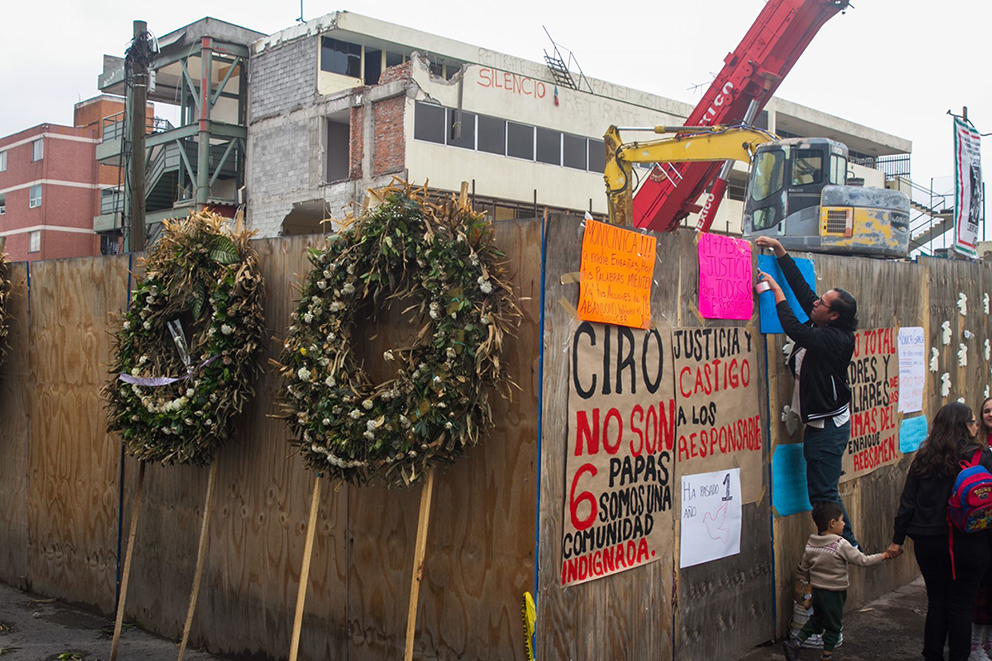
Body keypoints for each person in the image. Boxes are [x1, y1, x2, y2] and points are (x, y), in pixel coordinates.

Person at [754, 235, 859, 546]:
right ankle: (849, 551)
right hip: (821, 425)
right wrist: (780, 251)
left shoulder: (834, 339)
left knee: (824, 496)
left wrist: (775, 291)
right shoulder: (824, 321)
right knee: (824, 494)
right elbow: (803, 291)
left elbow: (794, 328)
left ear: (834, 315)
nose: (815, 303)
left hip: (827, 429)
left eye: (822, 303)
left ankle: (850, 551)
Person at [888, 402, 992, 661]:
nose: (976, 426)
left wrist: (897, 540)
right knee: (960, 605)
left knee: (937, 601)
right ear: (964, 425)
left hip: (928, 540)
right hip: (968, 542)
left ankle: (932, 656)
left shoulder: (923, 457)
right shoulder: (980, 455)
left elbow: (908, 502)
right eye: (973, 422)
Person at [782, 501, 892, 661]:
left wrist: (811, 597)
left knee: (816, 621)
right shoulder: (840, 545)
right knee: (833, 626)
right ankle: (827, 656)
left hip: (818, 592)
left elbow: (804, 568)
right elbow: (863, 560)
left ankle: (796, 643)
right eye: (842, 520)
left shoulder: (811, 544)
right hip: (834, 593)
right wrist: (884, 556)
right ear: (832, 523)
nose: (844, 524)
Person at [971, 396, 992, 661]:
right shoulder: (976, 447)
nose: (990, 414)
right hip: (982, 527)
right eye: (987, 410)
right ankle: (976, 646)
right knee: (981, 587)